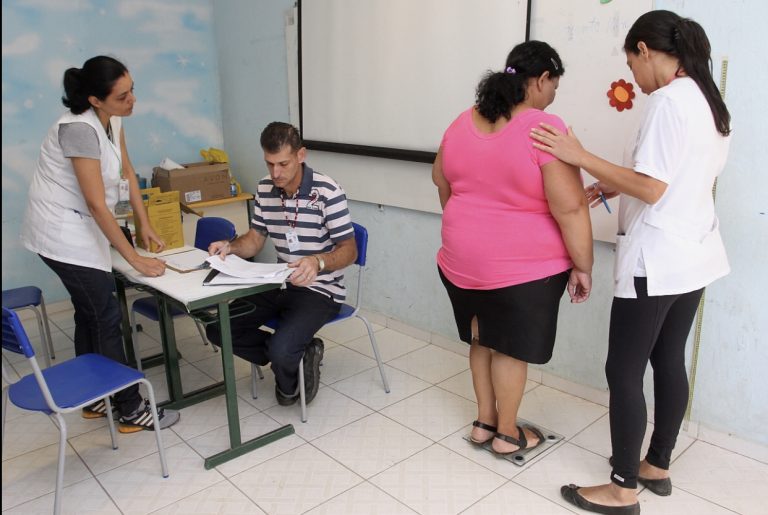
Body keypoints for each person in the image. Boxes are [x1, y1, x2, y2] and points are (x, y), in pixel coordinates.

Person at [531, 11, 731, 514]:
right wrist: (607, 185)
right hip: (695, 254)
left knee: (622, 370)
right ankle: (656, 465)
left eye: (630, 64)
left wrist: (578, 155)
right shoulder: (707, 100)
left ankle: (622, 488)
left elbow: (653, 186)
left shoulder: (667, 102)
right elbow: (671, 174)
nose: (636, 81)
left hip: (657, 260)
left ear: (645, 50)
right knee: (668, 359)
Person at [433, 41, 593, 456]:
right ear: (541, 80)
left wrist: (470, 228)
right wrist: (583, 265)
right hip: (520, 269)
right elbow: (572, 207)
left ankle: (484, 423)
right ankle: (507, 435)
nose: (553, 96)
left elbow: (442, 182)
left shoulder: (461, 122)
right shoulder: (544, 127)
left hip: (458, 261)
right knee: (509, 347)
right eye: (554, 86)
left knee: (480, 339)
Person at [20, 55, 180, 432]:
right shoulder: (77, 130)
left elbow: (127, 171)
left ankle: (95, 398)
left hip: (82, 229)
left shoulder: (113, 119)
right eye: (123, 95)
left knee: (89, 311)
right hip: (60, 233)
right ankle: (128, 407)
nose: (133, 100)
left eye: (132, 90)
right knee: (105, 313)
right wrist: (135, 260)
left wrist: (145, 226)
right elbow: (95, 202)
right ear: (95, 99)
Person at [206, 122, 357, 406]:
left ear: (301, 155)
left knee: (287, 391)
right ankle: (294, 353)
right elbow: (254, 240)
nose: (275, 173)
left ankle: (287, 365)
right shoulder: (265, 188)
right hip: (278, 281)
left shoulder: (327, 191)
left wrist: (317, 261)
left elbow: (349, 250)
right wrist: (231, 246)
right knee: (218, 328)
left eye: (283, 164)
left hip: (320, 288)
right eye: (270, 163)